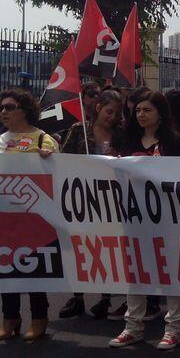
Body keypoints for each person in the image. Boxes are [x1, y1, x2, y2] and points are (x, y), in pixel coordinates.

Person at [0, 88, 59, 341]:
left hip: (34, 217)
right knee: (5, 269)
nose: (3, 111)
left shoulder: (43, 139)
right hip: (2, 216)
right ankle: (10, 318)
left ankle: (39, 317)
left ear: (24, 111)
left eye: (9, 107)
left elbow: (58, 172)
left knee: (35, 269)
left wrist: (51, 159)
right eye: (1, 107)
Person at [110, 91, 180, 350]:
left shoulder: (174, 143)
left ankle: (174, 328)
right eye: (138, 111)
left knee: (171, 271)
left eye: (147, 110)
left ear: (160, 113)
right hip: (133, 217)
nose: (141, 115)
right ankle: (133, 326)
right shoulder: (127, 140)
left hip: (167, 218)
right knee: (136, 271)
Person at [57, 89, 125, 320]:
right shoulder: (79, 131)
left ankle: (106, 298)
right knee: (80, 247)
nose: (112, 117)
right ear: (98, 108)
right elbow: (63, 157)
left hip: (110, 200)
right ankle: (77, 297)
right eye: (109, 111)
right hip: (80, 198)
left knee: (105, 248)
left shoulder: (120, 133)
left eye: (116, 113)